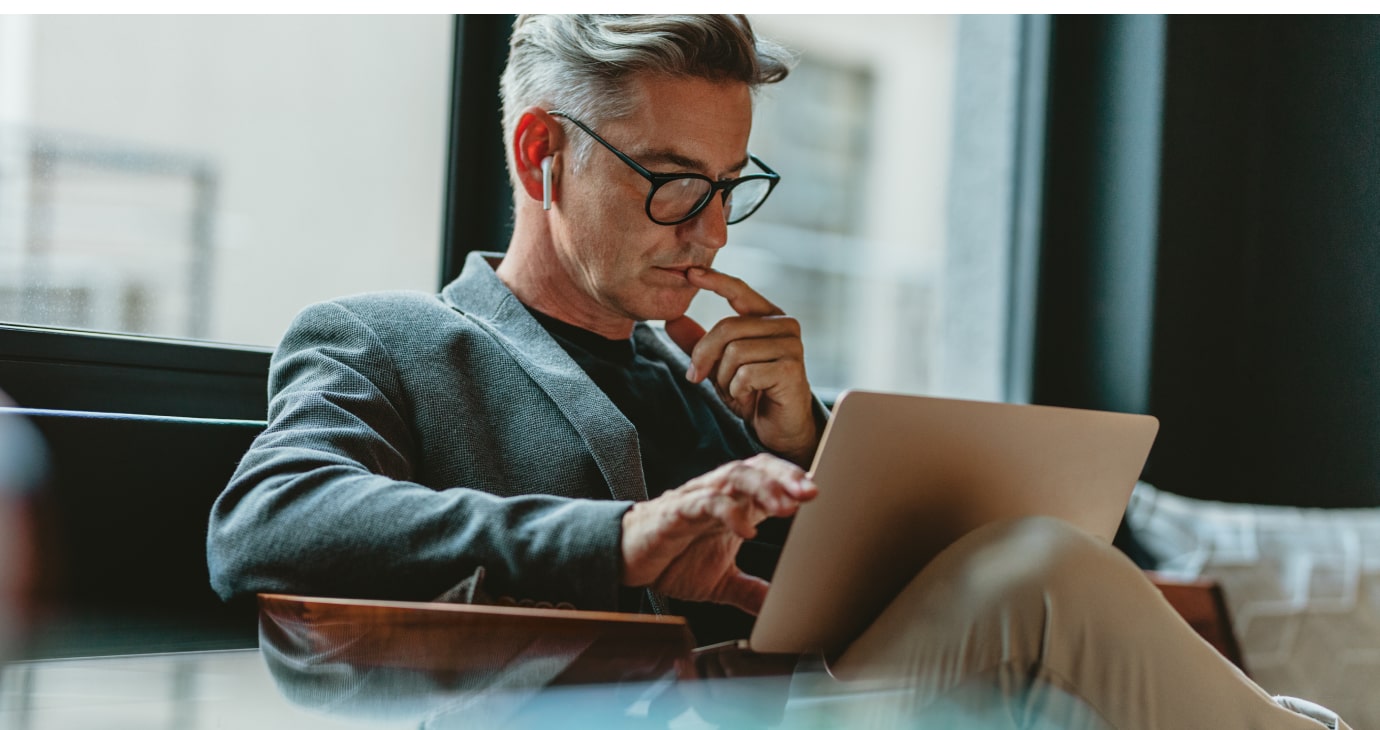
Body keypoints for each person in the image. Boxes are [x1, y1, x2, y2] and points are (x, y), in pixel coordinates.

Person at [208, 15, 1348, 729]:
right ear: (540, 152)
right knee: (1044, 575)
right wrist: (621, 539)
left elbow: (833, 612)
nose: (708, 230)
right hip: (620, 710)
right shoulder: (387, 339)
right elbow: (267, 519)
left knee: (1045, 609)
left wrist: (808, 446)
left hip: (808, 700)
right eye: (669, 181)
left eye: (728, 183)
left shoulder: (720, 387)